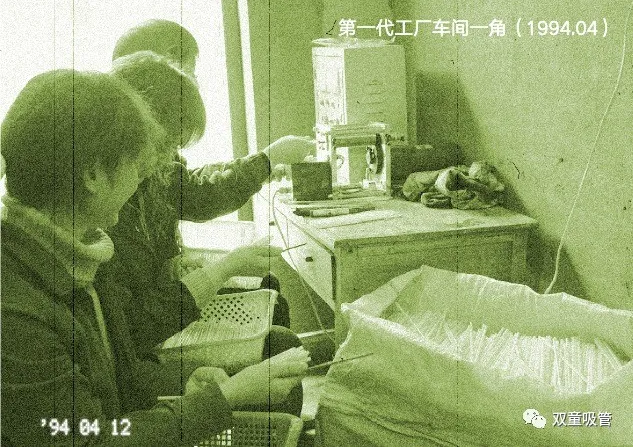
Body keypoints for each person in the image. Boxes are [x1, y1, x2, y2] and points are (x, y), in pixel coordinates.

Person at [0, 69, 309, 446]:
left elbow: (121, 374)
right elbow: (91, 439)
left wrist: (187, 381)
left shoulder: (80, 252)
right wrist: (224, 399)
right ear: (94, 175)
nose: (141, 179)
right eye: (135, 165)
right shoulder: (17, 315)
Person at [107, 50, 313, 359]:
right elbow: (137, 324)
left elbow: (190, 186)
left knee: (270, 294)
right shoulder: (114, 207)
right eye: (166, 146)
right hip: (147, 344)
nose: (167, 158)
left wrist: (170, 265)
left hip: (156, 312)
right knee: (280, 342)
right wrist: (224, 268)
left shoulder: (147, 174)